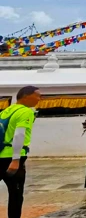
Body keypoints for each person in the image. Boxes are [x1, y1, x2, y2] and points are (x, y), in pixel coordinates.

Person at [0, 86, 41, 218]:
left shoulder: (7, 110)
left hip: (1, 153)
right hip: (12, 157)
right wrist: (16, 159)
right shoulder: (25, 112)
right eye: (37, 96)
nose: (39, 99)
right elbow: (19, 135)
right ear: (26, 96)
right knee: (16, 195)